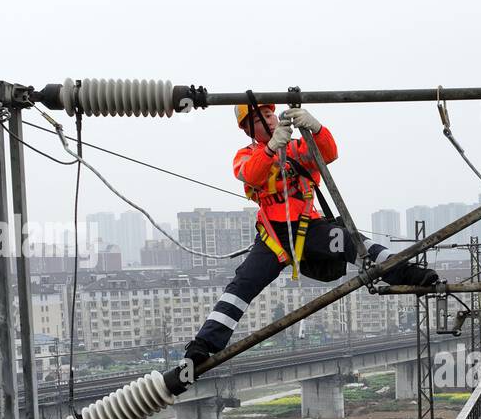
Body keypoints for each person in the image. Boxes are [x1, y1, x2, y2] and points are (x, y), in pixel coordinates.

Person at [184, 103, 437, 363]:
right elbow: (251, 175)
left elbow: (328, 153)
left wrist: (315, 128)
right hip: (274, 236)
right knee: (243, 284)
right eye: (260, 120)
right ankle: (203, 346)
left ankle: (408, 273)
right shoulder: (246, 155)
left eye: (270, 114)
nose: (269, 120)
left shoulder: (297, 147)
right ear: (249, 129)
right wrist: (271, 149)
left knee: (354, 243)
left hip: (308, 226)